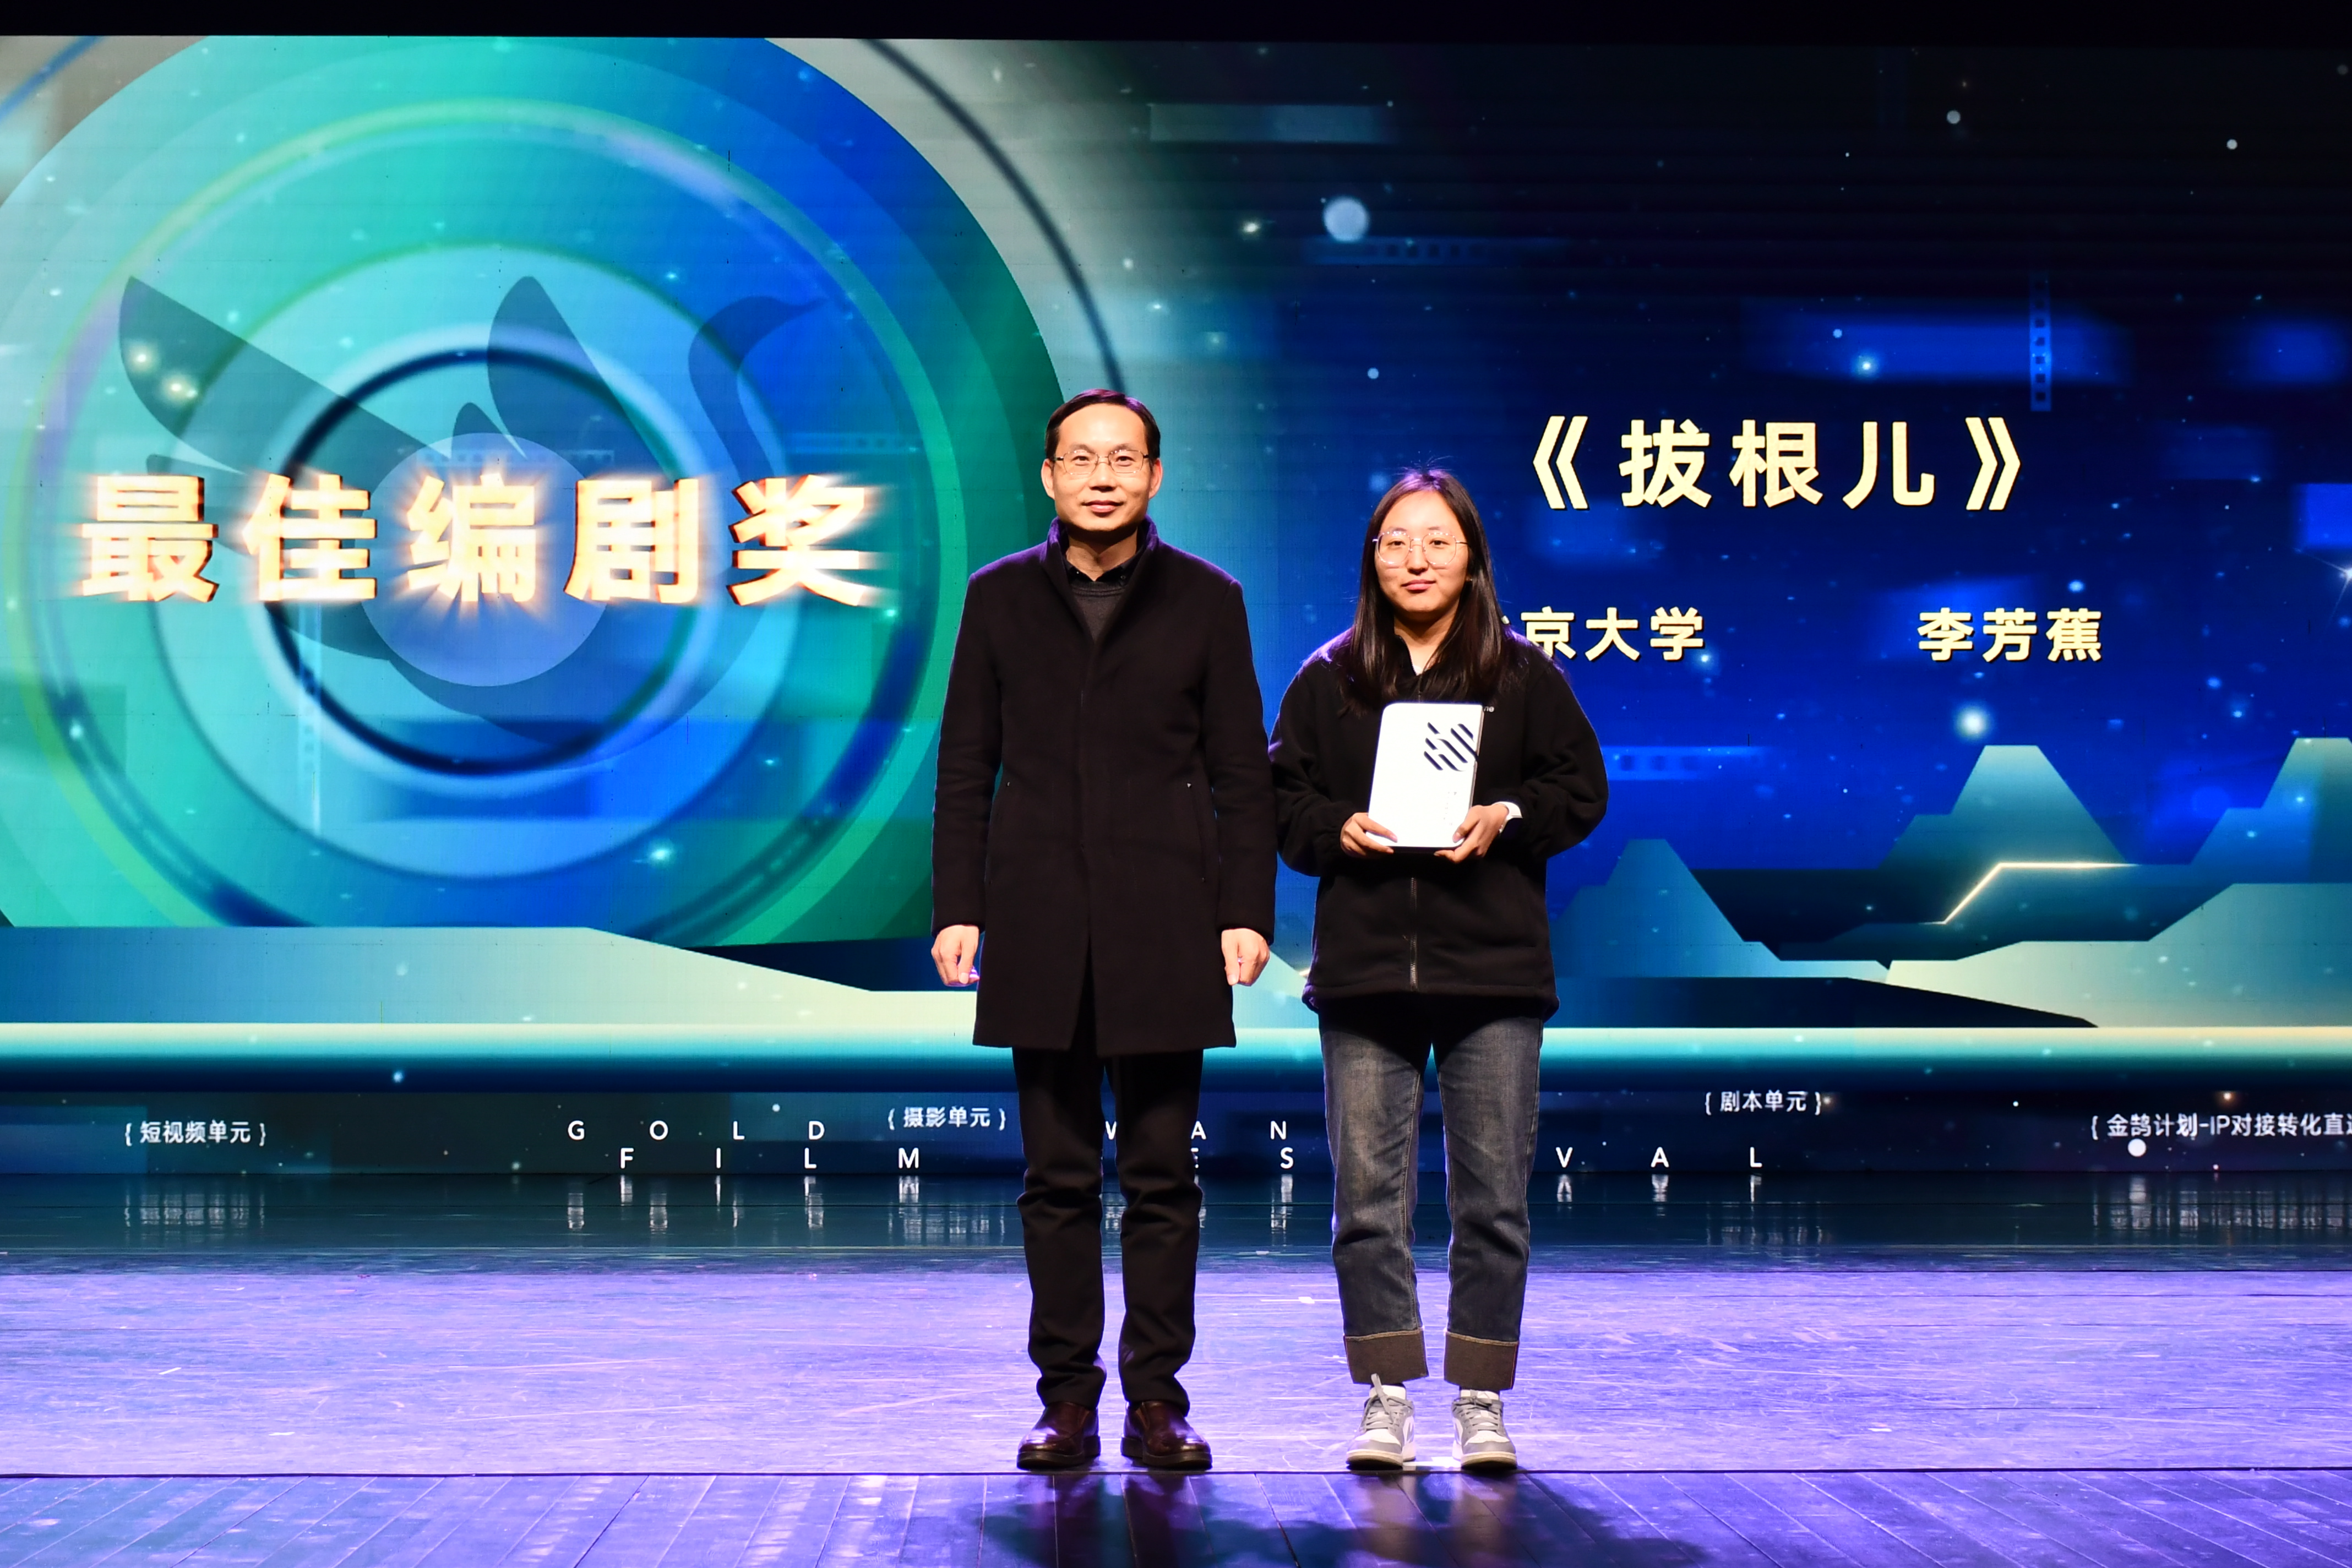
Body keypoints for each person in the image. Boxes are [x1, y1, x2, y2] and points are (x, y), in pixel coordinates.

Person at [932, 389, 1277, 1473]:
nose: (1101, 476)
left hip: (1166, 919)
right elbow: (964, 763)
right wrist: (958, 904)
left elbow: (1242, 772)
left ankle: (1158, 1401)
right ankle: (1066, 1401)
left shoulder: (1207, 598)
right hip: (1038, 917)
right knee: (1057, 1179)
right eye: (1080, 458)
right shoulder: (997, 597)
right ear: (1048, 476)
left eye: (1123, 459)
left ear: (1155, 476)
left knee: (1165, 1178)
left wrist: (1245, 909)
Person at [1269, 468, 1606, 1473]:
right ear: (1372, 559)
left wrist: (1509, 816)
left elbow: (1581, 790)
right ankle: (1384, 1396)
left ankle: (1482, 1398)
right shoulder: (1328, 678)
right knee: (1368, 1203)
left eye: (1437, 542)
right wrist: (1337, 827)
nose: (1416, 560)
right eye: (1396, 542)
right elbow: (1280, 805)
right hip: (1366, 977)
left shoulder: (1524, 674)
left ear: (1472, 557)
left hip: (1493, 976)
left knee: (1492, 1201)